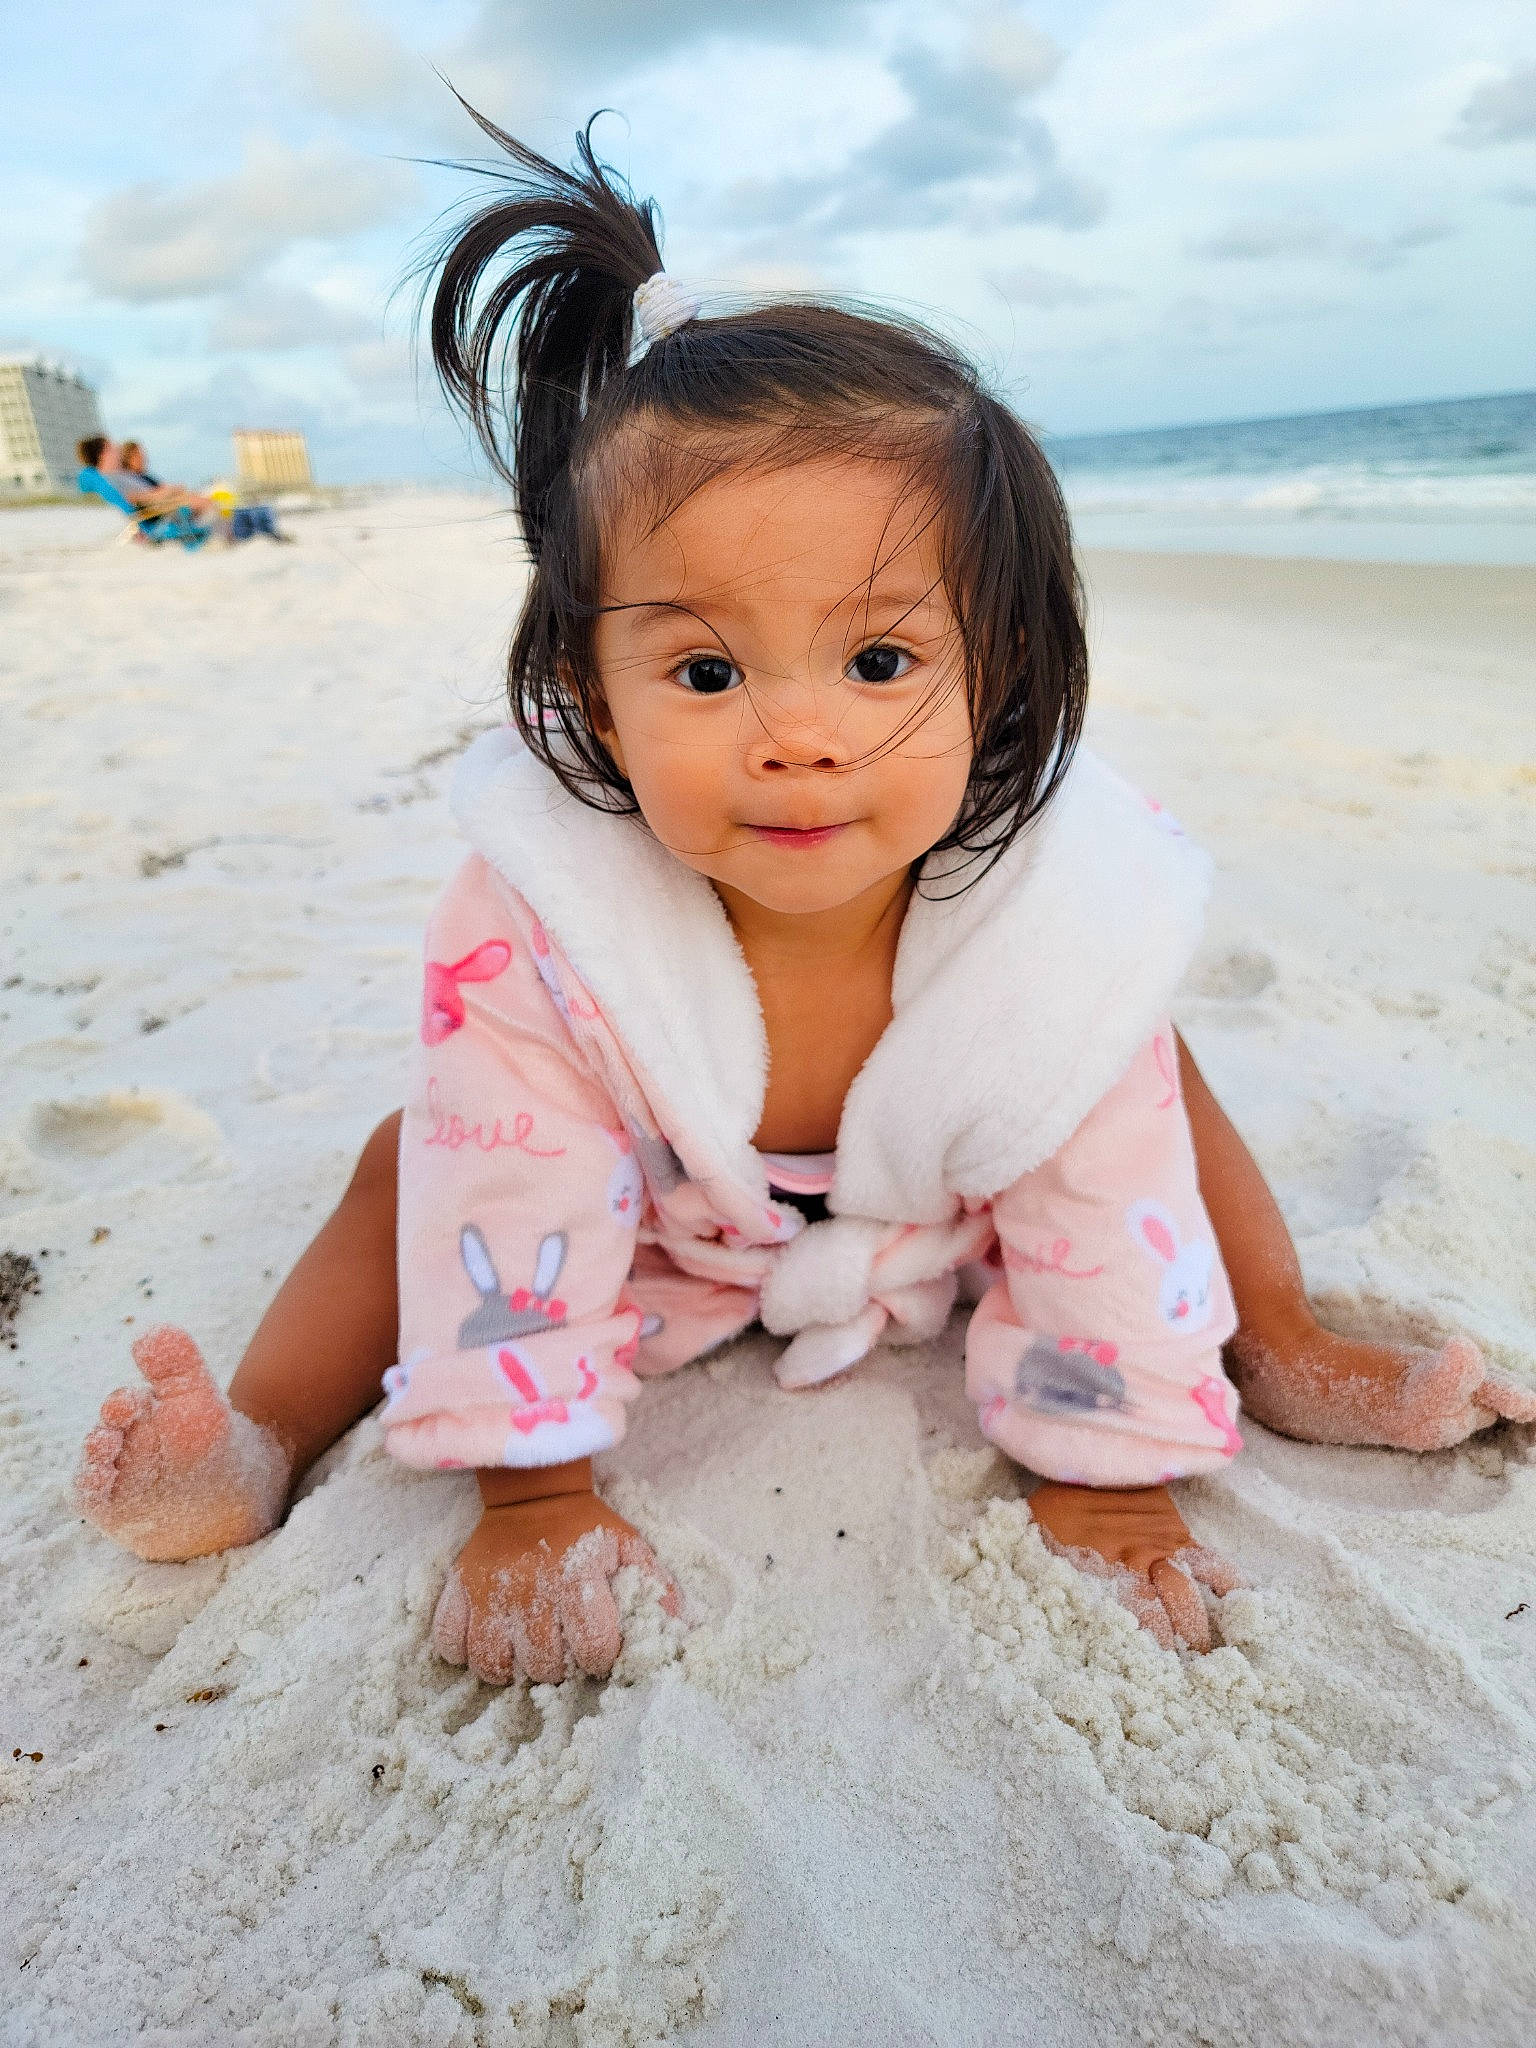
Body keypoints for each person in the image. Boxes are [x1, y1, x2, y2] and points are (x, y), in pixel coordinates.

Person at [74, 119, 1535, 1683]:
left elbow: (1099, 1194)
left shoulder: (1046, 911)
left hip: (945, 1206)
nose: (799, 731)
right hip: (660, 1226)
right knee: (404, 1160)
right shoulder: (549, 920)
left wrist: (1111, 1485)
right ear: (591, 695)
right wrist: (534, 1493)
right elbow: (513, 1195)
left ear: (1000, 673)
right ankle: (261, 1439)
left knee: (1151, 1073)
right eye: (705, 671)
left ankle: (1284, 1338)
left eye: (883, 660)